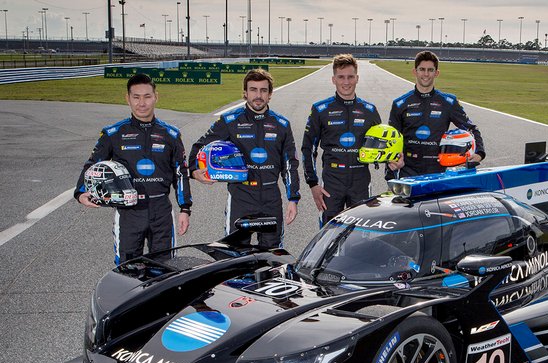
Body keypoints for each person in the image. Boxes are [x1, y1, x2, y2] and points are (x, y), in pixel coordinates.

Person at [74, 73, 192, 265]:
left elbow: (181, 172)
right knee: (127, 270)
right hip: (129, 211)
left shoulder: (171, 134)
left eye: (147, 96)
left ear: (155, 97)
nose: (142, 103)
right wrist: (80, 192)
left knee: (166, 269)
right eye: (136, 97)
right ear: (127, 98)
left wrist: (185, 208)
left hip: (161, 210)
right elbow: (91, 165)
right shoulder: (113, 133)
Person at [188, 68, 300, 248]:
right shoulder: (229, 121)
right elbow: (199, 146)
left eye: (263, 90)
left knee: (271, 256)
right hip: (241, 196)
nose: (258, 95)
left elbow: (290, 164)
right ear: (245, 93)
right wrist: (194, 171)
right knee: (235, 253)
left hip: (271, 197)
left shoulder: (282, 124)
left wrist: (293, 198)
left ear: (270, 94)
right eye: (253, 90)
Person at [301, 54, 382, 225]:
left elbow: (383, 146)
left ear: (357, 78)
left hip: (360, 178)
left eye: (350, 77)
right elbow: (308, 148)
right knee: (329, 235)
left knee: (360, 235)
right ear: (333, 79)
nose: (346, 82)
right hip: (332, 180)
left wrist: (393, 160)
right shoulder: (320, 110)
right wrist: (313, 184)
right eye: (341, 77)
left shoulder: (369, 110)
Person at [388, 50, 486, 177]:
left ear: (436, 73)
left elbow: (471, 128)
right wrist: (391, 172)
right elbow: (390, 140)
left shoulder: (448, 102)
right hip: (408, 171)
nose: (426, 74)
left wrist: (479, 153)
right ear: (415, 71)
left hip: (439, 172)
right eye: (422, 69)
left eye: (430, 70)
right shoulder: (400, 104)